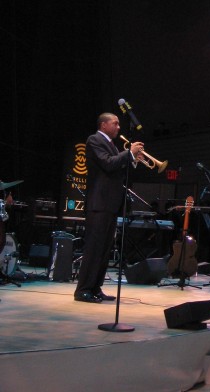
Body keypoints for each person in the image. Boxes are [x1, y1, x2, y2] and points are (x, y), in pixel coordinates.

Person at [74, 112, 143, 303]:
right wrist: (128, 153)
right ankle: (83, 290)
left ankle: (95, 287)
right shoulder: (94, 140)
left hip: (110, 203)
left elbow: (116, 168)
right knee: (94, 248)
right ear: (104, 125)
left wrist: (133, 159)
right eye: (115, 123)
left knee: (105, 249)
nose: (119, 127)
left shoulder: (112, 145)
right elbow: (108, 163)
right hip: (99, 203)